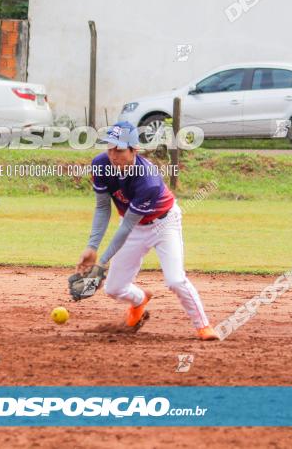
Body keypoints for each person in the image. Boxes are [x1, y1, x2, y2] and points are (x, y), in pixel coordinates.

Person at [76, 121, 219, 340]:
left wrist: (102, 261)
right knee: (113, 289)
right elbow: (103, 208)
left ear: (135, 150)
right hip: (134, 228)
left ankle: (203, 326)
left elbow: (126, 227)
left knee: (175, 280)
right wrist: (92, 246)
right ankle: (140, 299)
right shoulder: (100, 165)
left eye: (120, 149)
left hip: (164, 225)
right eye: (110, 148)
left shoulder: (148, 179)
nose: (113, 155)